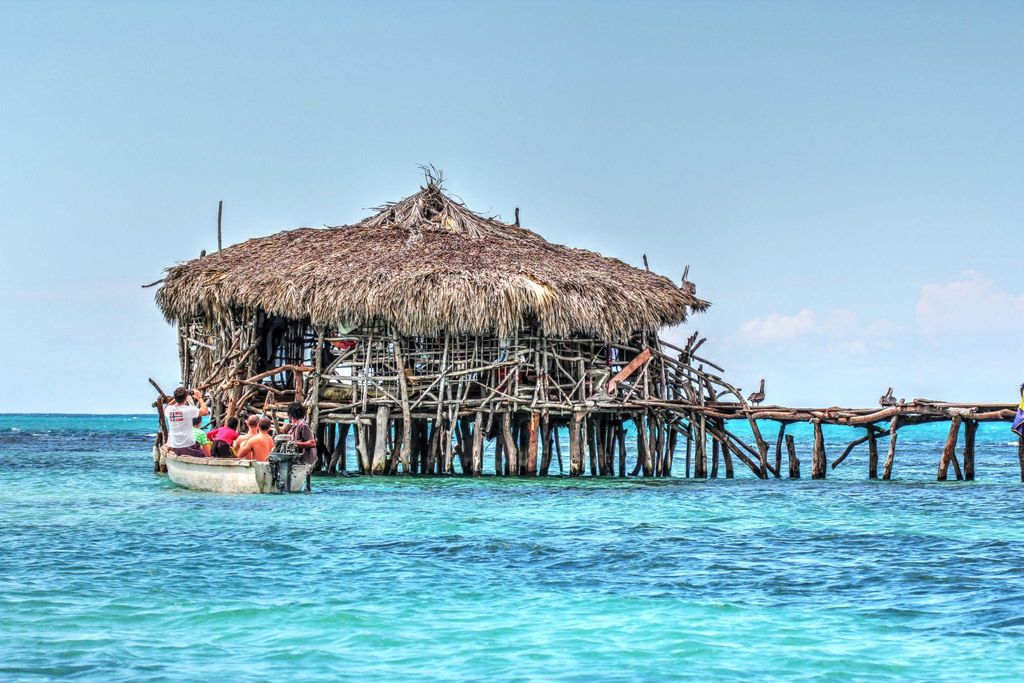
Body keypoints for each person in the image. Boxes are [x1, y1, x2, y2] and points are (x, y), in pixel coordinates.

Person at [164, 387, 209, 458]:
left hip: (174, 446)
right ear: (186, 398)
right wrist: (199, 398)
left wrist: (177, 398)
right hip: (187, 446)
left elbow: (167, 406)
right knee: (206, 456)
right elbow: (205, 411)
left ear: (175, 398)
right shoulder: (188, 410)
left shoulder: (168, 410)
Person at [286, 402, 317, 467]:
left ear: (291, 414)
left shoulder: (303, 425)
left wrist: (295, 443)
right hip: (299, 462)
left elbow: (312, 443)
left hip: (305, 463)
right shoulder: (294, 426)